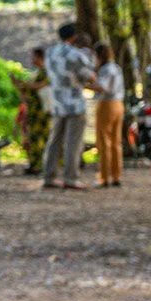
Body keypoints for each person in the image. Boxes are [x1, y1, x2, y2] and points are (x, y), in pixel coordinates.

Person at [41, 22, 98, 190]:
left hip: (57, 102)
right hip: (75, 103)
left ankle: (49, 176)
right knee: (73, 142)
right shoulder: (76, 54)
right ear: (74, 37)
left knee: (54, 140)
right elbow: (88, 76)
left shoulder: (50, 53)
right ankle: (70, 177)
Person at [12, 47, 51, 175]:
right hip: (33, 110)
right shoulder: (36, 73)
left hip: (42, 112)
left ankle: (43, 165)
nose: (31, 60)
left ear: (40, 57)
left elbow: (40, 85)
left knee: (42, 138)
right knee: (33, 138)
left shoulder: (46, 72)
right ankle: (35, 164)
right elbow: (28, 92)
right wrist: (19, 85)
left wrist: (24, 84)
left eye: (33, 57)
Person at [92, 43, 125, 187]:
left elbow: (102, 87)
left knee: (103, 141)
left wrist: (84, 85)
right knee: (115, 142)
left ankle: (104, 177)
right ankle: (116, 175)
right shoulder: (116, 68)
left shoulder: (106, 69)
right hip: (118, 104)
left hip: (107, 104)